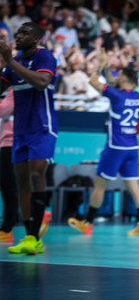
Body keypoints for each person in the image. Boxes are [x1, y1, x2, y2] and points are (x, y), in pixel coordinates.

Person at [67, 51, 139, 236]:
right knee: (133, 186)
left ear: (124, 79)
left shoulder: (116, 95)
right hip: (132, 147)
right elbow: (111, 84)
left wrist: (100, 65)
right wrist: (107, 67)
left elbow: (93, 82)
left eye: (118, 75)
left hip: (115, 147)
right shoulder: (135, 96)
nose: (116, 76)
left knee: (100, 186)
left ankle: (87, 222)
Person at [1, 22, 57, 255]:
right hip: (20, 132)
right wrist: (8, 64)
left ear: (36, 38)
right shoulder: (12, 66)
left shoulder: (46, 57)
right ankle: (28, 237)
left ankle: (35, 237)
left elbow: (42, 82)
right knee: (22, 182)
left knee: (36, 175)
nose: (19, 36)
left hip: (43, 128)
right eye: (18, 32)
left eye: (24, 33)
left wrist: (10, 61)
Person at [0, 88, 17, 242]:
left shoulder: (15, 90)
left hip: (10, 143)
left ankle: (6, 229)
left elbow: (2, 111)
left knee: (8, 186)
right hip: (12, 143)